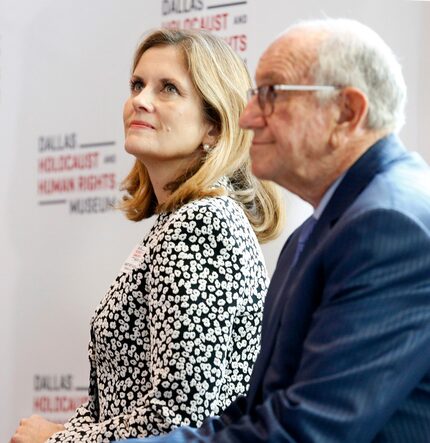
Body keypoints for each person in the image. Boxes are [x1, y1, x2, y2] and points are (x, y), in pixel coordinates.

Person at [117, 17, 430, 443]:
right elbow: (254, 411)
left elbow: (307, 430)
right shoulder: (313, 233)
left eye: (269, 95)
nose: (245, 118)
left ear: (347, 112)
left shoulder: (390, 226)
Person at [9, 29, 285, 443]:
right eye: (137, 84)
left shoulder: (202, 224)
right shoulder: (181, 220)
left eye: (168, 88)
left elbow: (183, 414)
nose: (140, 99)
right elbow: (128, 402)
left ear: (213, 127)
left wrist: (55, 441)